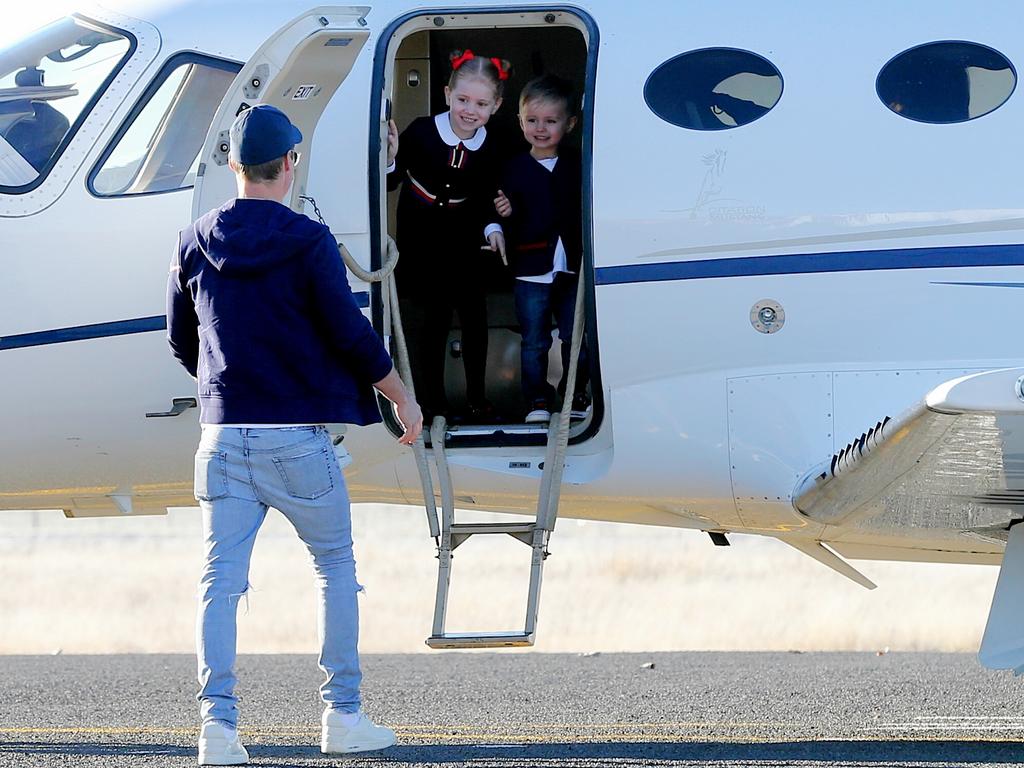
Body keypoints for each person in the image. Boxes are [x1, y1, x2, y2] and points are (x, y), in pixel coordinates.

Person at [166, 104, 422, 766]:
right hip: (296, 443)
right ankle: (342, 716)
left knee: (219, 583)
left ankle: (216, 731)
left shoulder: (194, 240)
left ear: (232, 165)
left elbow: (181, 341)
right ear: (290, 164)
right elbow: (348, 332)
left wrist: (227, 387)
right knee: (335, 568)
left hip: (221, 440)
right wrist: (402, 398)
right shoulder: (309, 240)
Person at [386, 49, 511, 422]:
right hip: (420, 233)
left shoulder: (492, 145)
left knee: (475, 318)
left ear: (496, 106)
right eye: (462, 100)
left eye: (481, 103)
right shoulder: (423, 131)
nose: (470, 110)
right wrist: (391, 157)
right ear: (446, 95)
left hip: (464, 234)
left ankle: (477, 397)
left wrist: (493, 227)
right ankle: (433, 403)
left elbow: (489, 192)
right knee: (433, 321)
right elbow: (391, 181)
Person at [493, 74, 590, 423]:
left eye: (551, 121)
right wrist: (499, 218)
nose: (541, 128)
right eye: (532, 120)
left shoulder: (581, 165)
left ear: (570, 123)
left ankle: (576, 393)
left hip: (573, 266)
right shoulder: (512, 168)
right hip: (530, 267)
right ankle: (536, 400)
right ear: (520, 121)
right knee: (534, 341)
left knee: (574, 336)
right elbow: (496, 211)